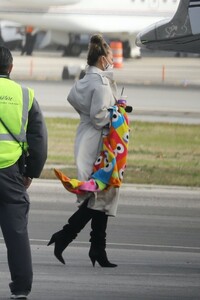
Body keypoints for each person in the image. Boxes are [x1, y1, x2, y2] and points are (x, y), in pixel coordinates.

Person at [48, 34, 121, 268]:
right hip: (97, 142)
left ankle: (97, 248)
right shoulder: (99, 84)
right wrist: (116, 113)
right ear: (102, 59)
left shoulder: (85, 79)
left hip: (85, 137)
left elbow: (73, 98)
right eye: (110, 56)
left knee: (100, 194)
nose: (112, 60)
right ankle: (65, 236)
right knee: (96, 194)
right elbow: (100, 118)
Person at [0, 46, 48, 299]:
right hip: (10, 174)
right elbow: (39, 139)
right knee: (16, 233)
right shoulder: (25, 95)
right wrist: (31, 172)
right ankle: (20, 289)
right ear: (10, 68)